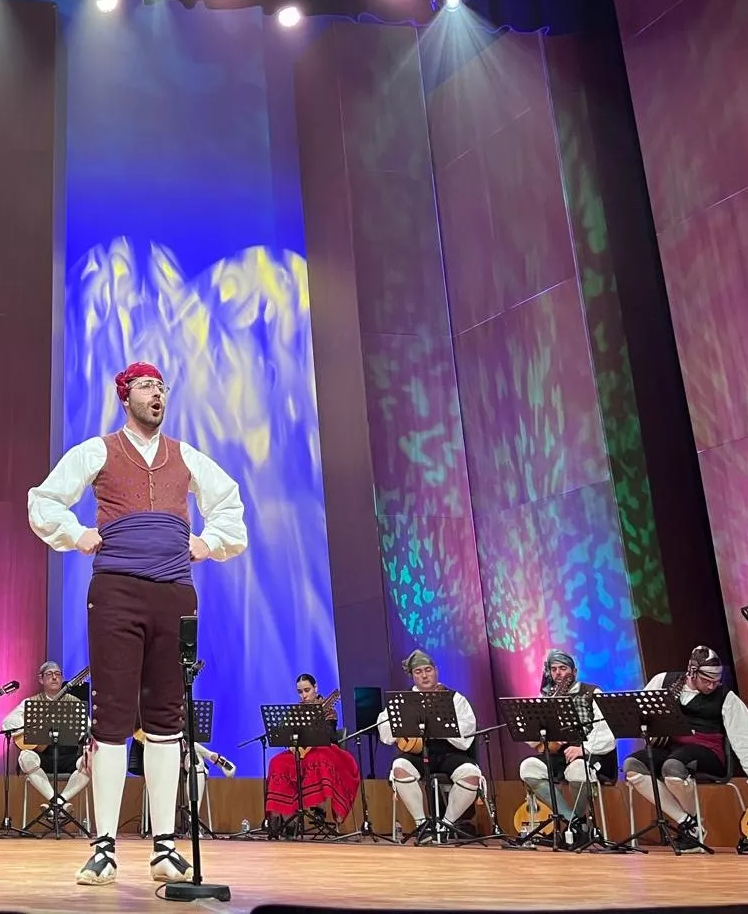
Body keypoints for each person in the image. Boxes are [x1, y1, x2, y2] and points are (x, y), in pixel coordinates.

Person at [28, 360, 247, 885]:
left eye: (163, 387)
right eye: (148, 386)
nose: (158, 394)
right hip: (117, 593)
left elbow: (229, 505)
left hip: (174, 594)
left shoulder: (185, 456)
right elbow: (44, 500)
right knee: (112, 717)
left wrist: (208, 543)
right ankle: (104, 845)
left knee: (167, 719)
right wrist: (78, 534)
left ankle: (166, 845)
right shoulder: (98, 450)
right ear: (125, 395)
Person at [623, 645, 748, 853]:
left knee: (673, 767)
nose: (712, 686)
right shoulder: (664, 681)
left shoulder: (725, 697)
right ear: (691, 672)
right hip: (672, 750)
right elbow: (640, 714)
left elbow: (745, 739)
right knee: (632, 765)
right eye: (706, 680)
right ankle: (689, 823)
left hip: (708, 752)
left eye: (716, 681)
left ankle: (693, 829)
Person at [377, 650, 486, 843]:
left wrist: (440, 724)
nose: (424, 675)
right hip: (418, 755)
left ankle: (445, 825)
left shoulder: (454, 698)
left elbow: (468, 730)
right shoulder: (402, 700)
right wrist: (402, 728)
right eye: (418, 671)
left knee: (470, 773)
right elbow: (384, 730)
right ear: (412, 676)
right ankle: (422, 825)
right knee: (400, 767)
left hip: (448, 753)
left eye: (428, 670)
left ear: (436, 671)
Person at [517, 650, 614, 843]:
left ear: (574, 671)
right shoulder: (546, 697)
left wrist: (583, 749)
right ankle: (575, 822)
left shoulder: (591, 692)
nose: (558, 673)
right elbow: (531, 738)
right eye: (553, 669)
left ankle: (575, 825)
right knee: (528, 767)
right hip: (558, 756)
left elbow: (607, 730)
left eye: (563, 668)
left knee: (577, 770)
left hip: (588, 753)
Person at [262, 673, 360, 836]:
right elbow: (284, 734)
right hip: (301, 751)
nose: (304, 695)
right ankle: (285, 816)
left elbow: (328, 737)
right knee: (277, 762)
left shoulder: (329, 711)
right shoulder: (295, 711)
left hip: (323, 749)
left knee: (317, 759)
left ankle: (319, 808)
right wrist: (290, 743)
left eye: (307, 690)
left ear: (316, 688)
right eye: (300, 692)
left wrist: (316, 725)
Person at [2, 661, 90, 824]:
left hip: (68, 756)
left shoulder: (75, 703)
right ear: (41, 679)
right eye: (49, 674)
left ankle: (57, 802)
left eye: (57, 674)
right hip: (43, 758)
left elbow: (88, 727)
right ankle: (59, 803)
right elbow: (7, 723)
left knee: (89, 761)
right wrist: (31, 727)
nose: (54, 677)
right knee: (25, 756)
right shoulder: (31, 703)